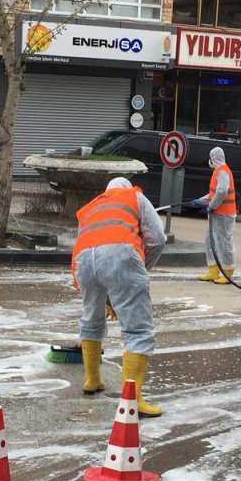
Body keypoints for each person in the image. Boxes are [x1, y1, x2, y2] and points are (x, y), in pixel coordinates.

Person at [72, 177, 167, 417]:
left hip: (83, 260)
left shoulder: (91, 206)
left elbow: (86, 249)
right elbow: (157, 238)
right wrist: (140, 269)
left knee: (91, 319)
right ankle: (131, 401)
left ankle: (92, 380)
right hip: (121, 252)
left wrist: (104, 296)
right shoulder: (134, 196)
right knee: (138, 330)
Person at [191, 146, 237, 284]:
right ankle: (213, 269)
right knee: (210, 241)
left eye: (210, 158)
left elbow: (222, 192)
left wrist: (211, 206)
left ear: (214, 158)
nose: (209, 161)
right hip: (218, 213)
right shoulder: (219, 171)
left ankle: (228, 271)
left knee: (224, 243)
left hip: (224, 215)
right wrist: (201, 201)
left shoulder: (223, 172)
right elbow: (214, 192)